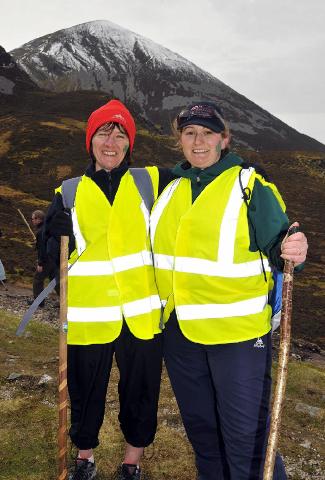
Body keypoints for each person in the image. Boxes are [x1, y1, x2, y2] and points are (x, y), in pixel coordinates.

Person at [150, 101, 308, 480]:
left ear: (224, 138)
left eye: (208, 132)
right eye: (190, 133)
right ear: (180, 141)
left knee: (247, 442)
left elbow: (281, 244)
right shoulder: (171, 188)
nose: (199, 140)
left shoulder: (249, 185)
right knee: (204, 437)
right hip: (181, 335)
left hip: (238, 338)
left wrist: (294, 248)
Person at [43, 99, 174, 480]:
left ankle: (132, 461)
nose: (112, 141)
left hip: (142, 314)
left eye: (120, 134)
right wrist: (55, 239)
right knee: (85, 392)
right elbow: (50, 257)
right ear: (91, 141)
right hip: (89, 316)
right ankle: (84, 457)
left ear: (129, 143)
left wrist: (248, 170)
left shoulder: (151, 181)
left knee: (141, 392)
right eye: (104, 132)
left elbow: (202, 173)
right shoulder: (67, 193)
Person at [28, 210, 59, 307]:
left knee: (38, 280)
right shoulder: (49, 228)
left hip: (46, 260)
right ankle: (65, 300)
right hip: (54, 259)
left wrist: (40, 263)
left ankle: (39, 302)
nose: (32, 221)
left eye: (33, 219)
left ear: (39, 219)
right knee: (55, 280)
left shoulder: (41, 231)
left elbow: (42, 249)